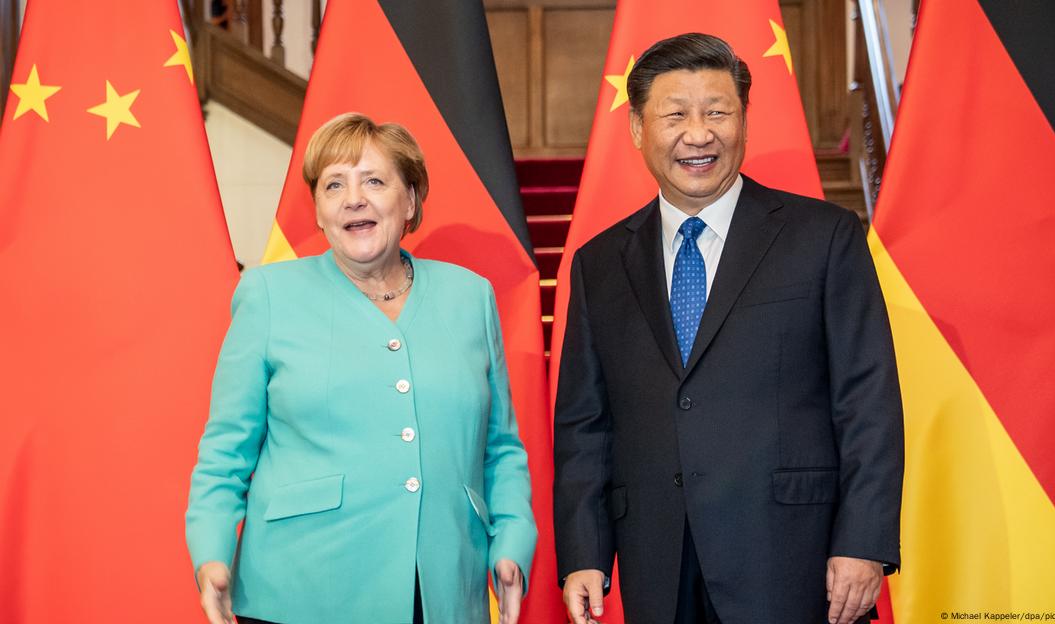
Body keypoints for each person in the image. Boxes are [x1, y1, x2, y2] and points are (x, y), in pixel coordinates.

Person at [553, 33, 903, 624]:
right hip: (657, 560)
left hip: (795, 558)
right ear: (638, 128)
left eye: (718, 112)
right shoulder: (599, 262)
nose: (699, 133)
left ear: (744, 120)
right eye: (675, 115)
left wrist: (863, 541)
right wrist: (584, 553)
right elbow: (586, 424)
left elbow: (867, 400)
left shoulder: (823, 237)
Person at [186, 113, 537, 624]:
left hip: (442, 590)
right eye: (334, 185)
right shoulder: (267, 296)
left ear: (411, 201)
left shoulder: (470, 296)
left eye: (374, 180)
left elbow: (500, 448)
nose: (354, 198)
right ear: (320, 212)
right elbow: (225, 451)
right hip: (300, 590)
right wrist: (211, 554)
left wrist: (511, 542)